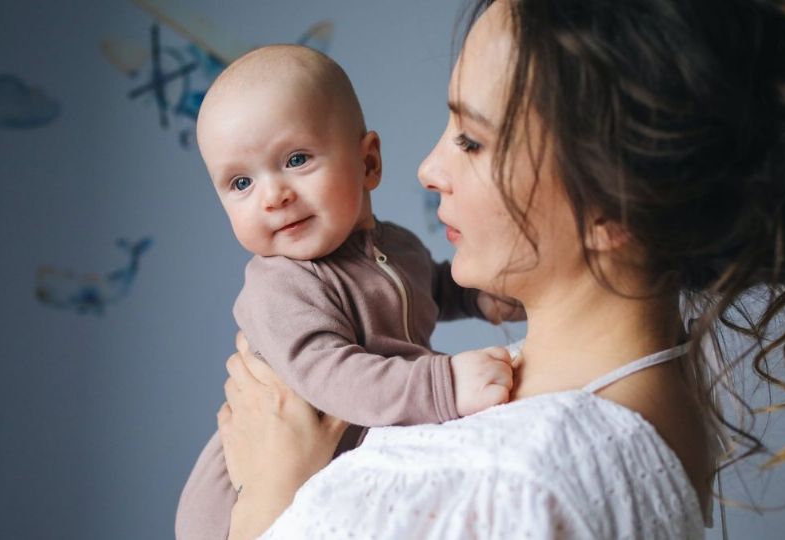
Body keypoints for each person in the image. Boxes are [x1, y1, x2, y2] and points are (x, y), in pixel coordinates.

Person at [213, 0, 785, 537]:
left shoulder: (527, 483)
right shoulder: (642, 402)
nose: (428, 170)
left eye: (472, 139)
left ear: (612, 202)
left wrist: (269, 503)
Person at [176, 44, 526, 540]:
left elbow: (426, 286)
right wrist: (442, 385)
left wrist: (475, 298)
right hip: (239, 499)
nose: (273, 196)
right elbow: (331, 375)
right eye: (240, 182)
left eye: (296, 159)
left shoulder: (396, 245)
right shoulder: (281, 286)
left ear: (368, 164)